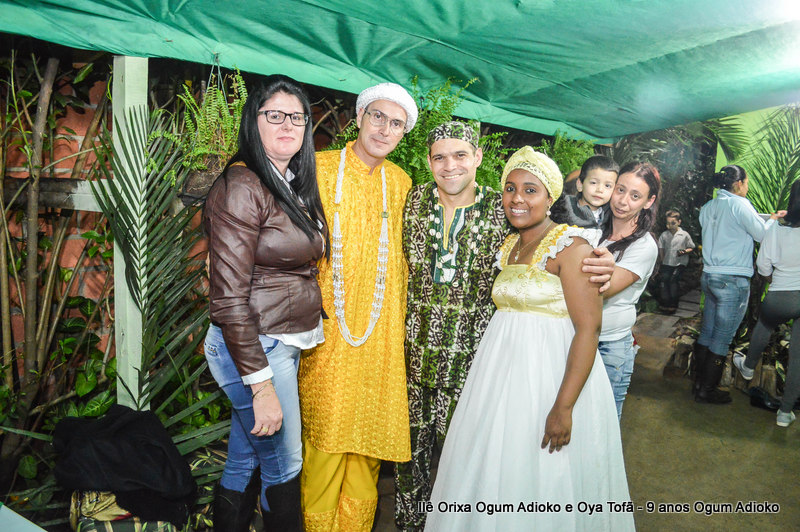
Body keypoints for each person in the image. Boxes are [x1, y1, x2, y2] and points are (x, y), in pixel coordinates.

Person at [396, 124, 618, 531]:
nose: (518, 199)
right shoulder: (506, 243)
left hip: (535, 371)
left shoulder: (565, 243)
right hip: (484, 370)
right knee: (482, 464)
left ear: (551, 196)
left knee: (537, 471)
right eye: (510, 189)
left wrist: (563, 407)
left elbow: (589, 326)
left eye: (530, 190)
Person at [203, 75, 329, 532]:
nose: (287, 125)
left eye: (296, 117)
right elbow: (228, 299)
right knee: (284, 465)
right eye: (274, 115)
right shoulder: (243, 184)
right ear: (252, 122)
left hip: (276, 341)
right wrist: (261, 387)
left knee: (245, 458)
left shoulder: (287, 182)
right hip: (255, 346)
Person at [297, 82, 417, 531]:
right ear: (360, 118)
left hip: (381, 338)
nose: (385, 129)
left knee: (368, 447)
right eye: (378, 117)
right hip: (327, 335)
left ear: (403, 134)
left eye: (396, 123)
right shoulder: (317, 168)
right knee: (326, 441)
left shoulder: (401, 183)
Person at [694, 165, 786, 404]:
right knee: (722, 337)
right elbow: (762, 235)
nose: (747, 186)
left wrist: (766, 219)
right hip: (731, 280)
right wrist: (772, 221)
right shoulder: (739, 204)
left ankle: (697, 383)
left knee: (707, 331)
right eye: (746, 182)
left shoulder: (709, 207)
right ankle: (707, 390)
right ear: (738, 184)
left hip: (710, 276)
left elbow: (731, 228)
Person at [733, 179, 800, 426]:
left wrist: (774, 279)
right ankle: (784, 413)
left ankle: (748, 366)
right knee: (798, 358)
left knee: (765, 323)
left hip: (781, 295)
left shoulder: (778, 229)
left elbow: (763, 266)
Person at [598, 161, 660, 419]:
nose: (623, 201)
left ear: (648, 201)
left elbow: (601, 290)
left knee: (604, 425)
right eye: (620, 190)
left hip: (609, 347)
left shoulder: (643, 246)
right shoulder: (592, 231)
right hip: (574, 337)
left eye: (635, 196)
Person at [550, 155, 619, 228]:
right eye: (593, 183)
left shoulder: (611, 216)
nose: (600, 190)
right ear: (580, 185)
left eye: (607, 186)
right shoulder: (563, 207)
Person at [657, 209, 695, 313]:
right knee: (664, 282)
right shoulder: (664, 235)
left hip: (679, 263)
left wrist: (684, 251)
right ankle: (665, 304)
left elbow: (691, 247)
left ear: (679, 222)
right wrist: (662, 260)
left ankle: (673, 304)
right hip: (667, 263)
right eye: (668, 223)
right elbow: (661, 248)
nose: (670, 226)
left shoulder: (684, 235)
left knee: (673, 281)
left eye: (673, 223)